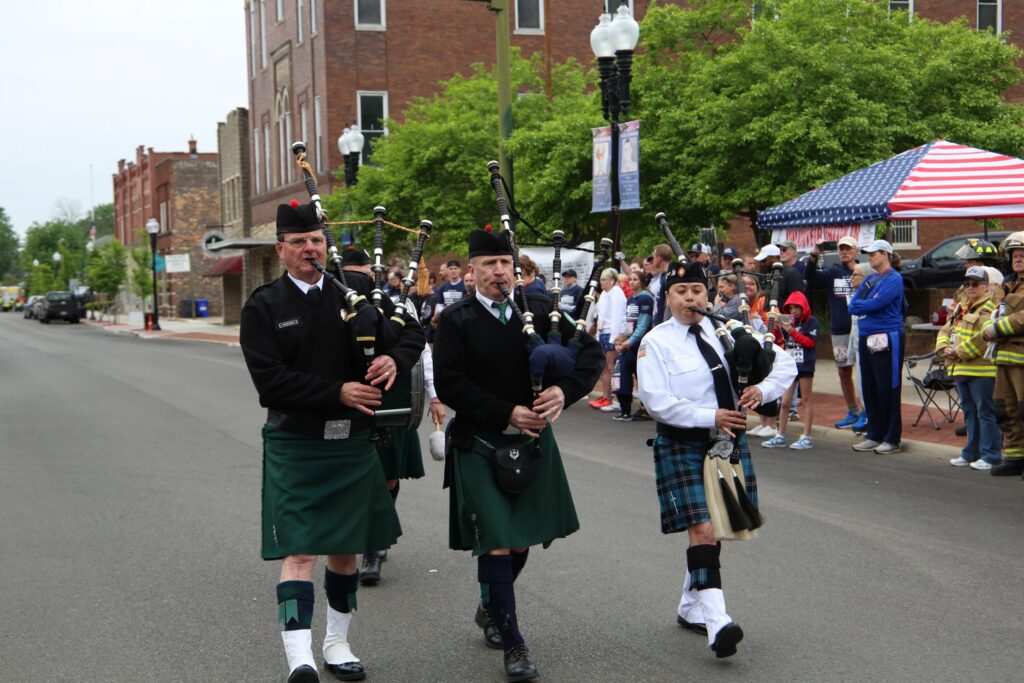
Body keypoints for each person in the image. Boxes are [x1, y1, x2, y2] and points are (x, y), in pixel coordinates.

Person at [239, 201, 426, 683]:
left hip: (353, 444)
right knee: (299, 552)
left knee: (345, 550)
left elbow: (412, 333)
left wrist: (395, 361)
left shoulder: (357, 294)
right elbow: (270, 384)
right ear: (280, 249)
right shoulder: (264, 306)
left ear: (327, 246)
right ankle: (299, 659)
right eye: (299, 242)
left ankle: (337, 642)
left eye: (317, 240)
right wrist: (336, 391)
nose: (310, 249)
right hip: (297, 443)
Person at [432, 228, 603, 682]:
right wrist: (506, 410)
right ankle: (514, 643)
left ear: (515, 269)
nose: (498, 272)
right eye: (488, 265)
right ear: (472, 271)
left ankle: (491, 606)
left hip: (531, 444)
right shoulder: (456, 319)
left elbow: (590, 355)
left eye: (505, 264)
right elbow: (450, 384)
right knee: (497, 538)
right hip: (480, 441)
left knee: (521, 539)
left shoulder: (542, 311)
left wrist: (562, 394)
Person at [637, 262, 796, 660]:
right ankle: (718, 621)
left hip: (727, 444)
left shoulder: (729, 330)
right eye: (681, 291)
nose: (690, 298)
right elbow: (657, 401)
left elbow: (785, 363)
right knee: (703, 529)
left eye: (696, 290)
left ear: (708, 295)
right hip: (682, 442)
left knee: (717, 530)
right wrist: (711, 416)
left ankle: (691, 605)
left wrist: (761, 389)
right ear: (668, 298)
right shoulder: (655, 343)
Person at [336, 249, 444, 586]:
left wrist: (434, 394)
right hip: (344, 404)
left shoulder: (396, 305)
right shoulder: (328, 304)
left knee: (389, 477)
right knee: (351, 482)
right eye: (348, 273)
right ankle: (364, 541)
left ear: (371, 272)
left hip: (391, 401)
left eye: (360, 272)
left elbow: (420, 351)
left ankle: (375, 543)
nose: (354, 279)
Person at [936, 267, 1000, 471]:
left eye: (975, 284)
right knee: (970, 413)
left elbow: (984, 337)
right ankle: (971, 452)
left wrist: (958, 352)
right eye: (968, 284)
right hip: (960, 369)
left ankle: (991, 456)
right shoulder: (962, 306)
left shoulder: (991, 307)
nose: (970, 288)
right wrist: (943, 347)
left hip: (981, 371)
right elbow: (946, 329)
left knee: (985, 413)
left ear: (985, 286)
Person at [848, 240, 905, 454]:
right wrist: (869, 303)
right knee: (870, 386)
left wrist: (868, 303)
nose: (869, 257)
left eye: (873, 254)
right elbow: (854, 305)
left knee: (887, 386)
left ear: (885, 254)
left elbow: (876, 304)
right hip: (867, 335)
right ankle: (875, 434)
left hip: (886, 335)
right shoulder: (870, 279)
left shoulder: (894, 278)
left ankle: (891, 438)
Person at [806, 236, 864, 430]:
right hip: (840, 329)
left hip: (862, 328)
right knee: (844, 371)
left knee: (864, 372)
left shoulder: (863, 271)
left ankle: (866, 411)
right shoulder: (833, 272)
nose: (844, 252)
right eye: (841, 249)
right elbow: (812, 280)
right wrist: (814, 256)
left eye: (848, 249)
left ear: (856, 251)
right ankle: (852, 410)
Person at [981, 232, 1024, 477]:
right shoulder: (1007, 285)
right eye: (1015, 256)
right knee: (1005, 409)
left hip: (1021, 359)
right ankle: (1016, 458)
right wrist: (989, 326)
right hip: (1003, 358)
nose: (1018, 260)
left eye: (1022, 255)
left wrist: (996, 329)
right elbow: (992, 313)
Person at [760, 291, 819, 450]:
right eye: (791, 307)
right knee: (785, 402)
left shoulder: (811, 322)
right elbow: (778, 339)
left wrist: (793, 332)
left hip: (805, 364)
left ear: (803, 307)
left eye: (797, 307)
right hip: (790, 364)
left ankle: (806, 436)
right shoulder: (788, 321)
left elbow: (809, 343)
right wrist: (778, 328)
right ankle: (780, 435)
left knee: (806, 400)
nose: (793, 311)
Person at [613, 271, 655, 421]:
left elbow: (643, 324)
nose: (631, 282)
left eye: (635, 279)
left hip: (640, 344)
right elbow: (629, 322)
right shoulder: (631, 298)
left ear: (642, 281)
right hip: (629, 343)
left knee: (642, 377)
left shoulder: (645, 298)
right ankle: (625, 409)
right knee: (623, 374)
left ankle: (645, 409)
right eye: (630, 279)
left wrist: (629, 342)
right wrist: (622, 338)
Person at [590, 268, 627, 412]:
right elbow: (600, 315)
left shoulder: (617, 293)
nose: (601, 282)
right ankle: (606, 396)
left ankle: (614, 399)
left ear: (612, 280)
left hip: (612, 333)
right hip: (603, 333)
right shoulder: (605, 294)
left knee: (611, 367)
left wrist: (614, 338)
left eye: (604, 280)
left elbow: (617, 317)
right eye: (601, 280)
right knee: (605, 367)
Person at [847, 263, 874, 435]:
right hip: (857, 345)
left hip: (868, 346)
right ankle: (865, 414)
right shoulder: (857, 294)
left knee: (867, 385)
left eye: (856, 275)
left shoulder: (869, 296)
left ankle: (870, 418)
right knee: (860, 385)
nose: (852, 278)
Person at [650, 243, 674, 322]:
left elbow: (669, 305)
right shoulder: (663, 276)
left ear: (659, 258)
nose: (653, 259)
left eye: (654, 256)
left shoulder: (669, 277)